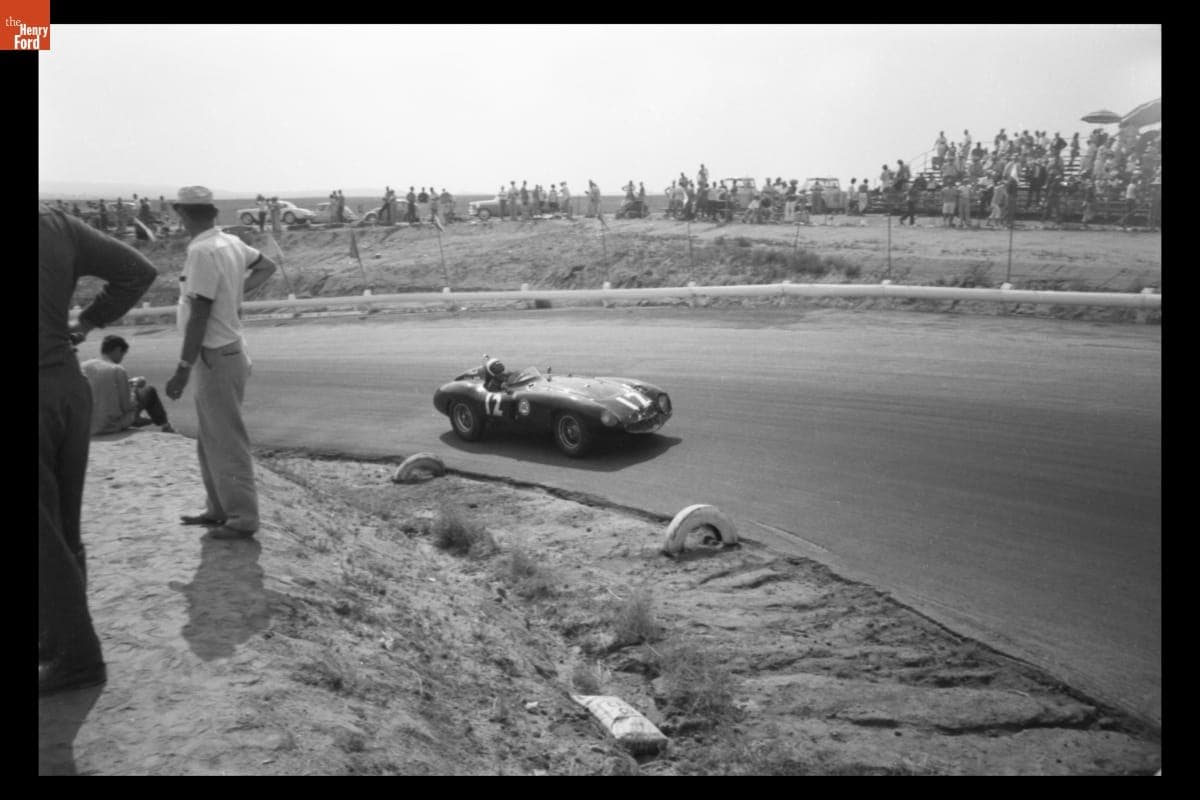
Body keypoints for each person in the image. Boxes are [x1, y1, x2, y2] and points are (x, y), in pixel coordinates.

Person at [40, 202, 157, 696]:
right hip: (66, 387)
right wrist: (88, 319)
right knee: (61, 526)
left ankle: (77, 656)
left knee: (44, 537)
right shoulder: (56, 223)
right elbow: (138, 271)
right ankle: (55, 638)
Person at [164, 186, 277, 541]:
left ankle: (243, 517)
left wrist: (183, 367)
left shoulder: (202, 251)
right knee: (210, 436)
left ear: (183, 215)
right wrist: (235, 297)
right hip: (226, 351)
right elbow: (267, 266)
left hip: (214, 355)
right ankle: (218, 508)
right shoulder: (228, 243)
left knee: (225, 438)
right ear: (212, 212)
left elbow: (199, 312)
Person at [81, 335, 174, 435]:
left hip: (87, 425)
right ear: (118, 350)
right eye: (122, 354)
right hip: (109, 425)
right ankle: (165, 425)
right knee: (149, 391)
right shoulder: (117, 369)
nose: (121, 359)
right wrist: (134, 387)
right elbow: (127, 405)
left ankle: (141, 418)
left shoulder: (84, 366)